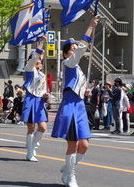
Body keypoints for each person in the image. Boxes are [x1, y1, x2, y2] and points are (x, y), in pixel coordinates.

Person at [51, 16, 99, 187]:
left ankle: (67, 168)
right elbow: (81, 50)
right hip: (70, 105)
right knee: (73, 143)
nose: (75, 49)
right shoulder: (68, 62)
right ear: (65, 53)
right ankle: (70, 177)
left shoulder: (77, 68)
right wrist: (90, 26)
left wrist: (83, 90)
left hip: (79, 105)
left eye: (74, 48)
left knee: (84, 145)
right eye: (72, 48)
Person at [21, 37, 49, 162]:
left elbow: (43, 90)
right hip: (30, 99)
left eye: (41, 58)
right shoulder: (29, 69)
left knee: (43, 127)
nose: (40, 59)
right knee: (31, 127)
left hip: (39, 101)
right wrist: (41, 43)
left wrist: (46, 95)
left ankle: (32, 146)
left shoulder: (42, 75)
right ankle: (30, 152)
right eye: (38, 57)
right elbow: (36, 55)